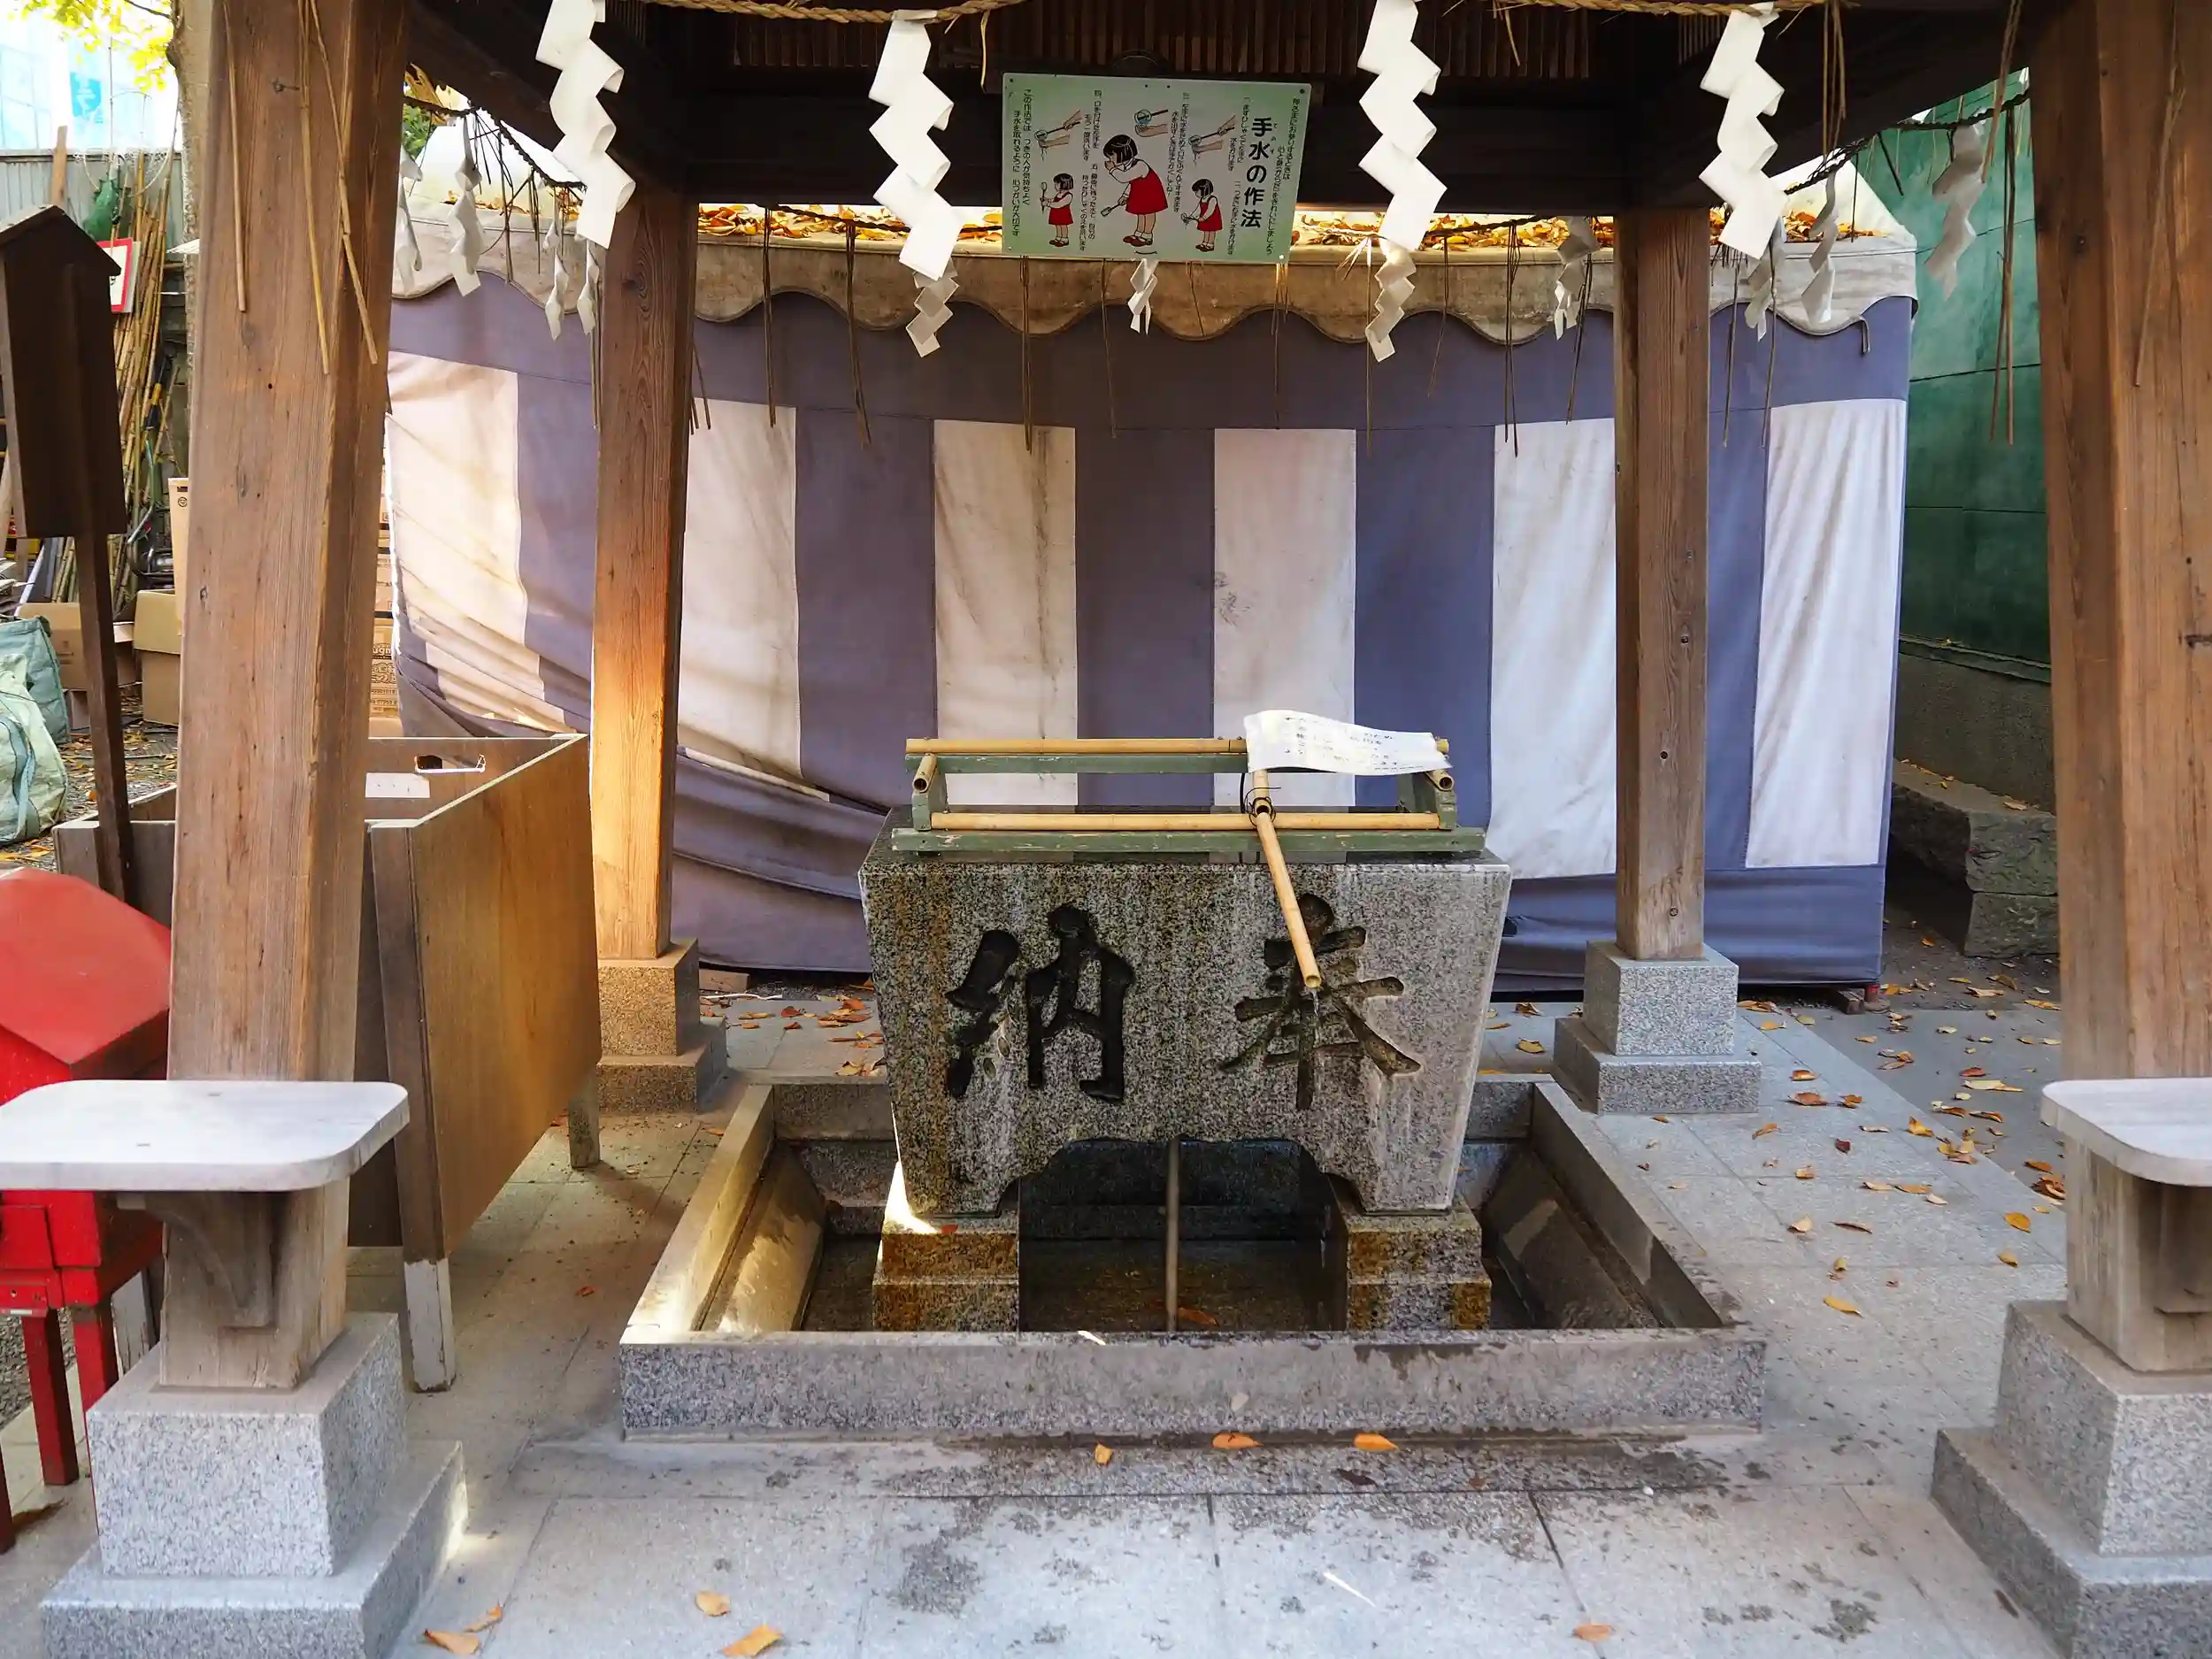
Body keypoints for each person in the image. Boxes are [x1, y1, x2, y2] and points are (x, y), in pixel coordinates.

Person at [1102, 134, 1167, 249]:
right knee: (1141, 214)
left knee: (1148, 214)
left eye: (1112, 155)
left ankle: (1147, 236)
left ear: (1123, 153)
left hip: (1151, 194)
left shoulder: (1140, 165)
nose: (1110, 159)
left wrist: (1112, 169)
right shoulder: (1128, 165)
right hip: (1141, 193)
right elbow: (1131, 182)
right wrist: (1125, 195)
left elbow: (1124, 178)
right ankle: (1138, 234)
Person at [1184, 178, 1222, 251]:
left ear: (1204, 190)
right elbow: (1198, 210)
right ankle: (1205, 243)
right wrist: (1193, 216)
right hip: (1204, 218)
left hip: (1212, 219)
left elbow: (1210, 210)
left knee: (1211, 231)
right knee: (1206, 231)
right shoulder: (1202, 199)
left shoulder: (1212, 199)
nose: (1196, 193)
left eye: (1197, 191)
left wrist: (1204, 217)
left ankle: (1210, 244)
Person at [1041, 173, 1075, 247]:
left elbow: (1059, 204)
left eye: (1057, 184)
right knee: (1058, 226)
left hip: (1063, 215)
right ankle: (1058, 238)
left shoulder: (1068, 196)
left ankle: (1064, 239)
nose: (1055, 186)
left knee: (1063, 226)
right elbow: (1054, 200)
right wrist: (1048, 200)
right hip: (1057, 214)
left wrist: (1048, 204)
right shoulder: (1059, 194)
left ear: (1064, 184)